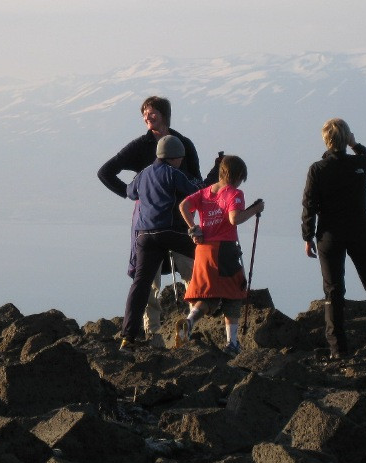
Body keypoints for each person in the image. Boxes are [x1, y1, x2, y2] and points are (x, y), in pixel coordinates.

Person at [98, 96, 202, 347]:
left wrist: (134, 190)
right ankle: (152, 334)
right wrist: (127, 193)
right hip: (157, 223)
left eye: (151, 113)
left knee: (190, 275)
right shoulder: (141, 145)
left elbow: (195, 179)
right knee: (151, 282)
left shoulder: (183, 143)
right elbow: (105, 172)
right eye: (144, 114)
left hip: (172, 223)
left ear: (165, 115)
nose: (147, 118)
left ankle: (188, 326)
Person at [301, 119, 366, 358]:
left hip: (329, 237)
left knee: (333, 292)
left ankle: (338, 350)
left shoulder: (318, 169)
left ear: (326, 140)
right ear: (346, 138)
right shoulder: (359, 163)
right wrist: (356, 145)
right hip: (361, 234)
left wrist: (307, 236)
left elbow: (309, 204)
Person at [119, 135, 202, 354]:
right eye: (180, 159)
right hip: (171, 232)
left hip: (145, 235)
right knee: (204, 257)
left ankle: (128, 337)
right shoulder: (175, 173)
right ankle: (201, 313)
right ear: (175, 157)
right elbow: (196, 191)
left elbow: (130, 192)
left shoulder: (144, 173)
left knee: (141, 283)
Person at [177, 155, 264, 352]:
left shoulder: (206, 192)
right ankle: (232, 343)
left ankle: (189, 322)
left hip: (203, 251)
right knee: (234, 293)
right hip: (224, 250)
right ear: (238, 175)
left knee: (210, 295)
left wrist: (194, 228)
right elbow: (234, 219)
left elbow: (183, 206)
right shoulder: (234, 193)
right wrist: (255, 209)